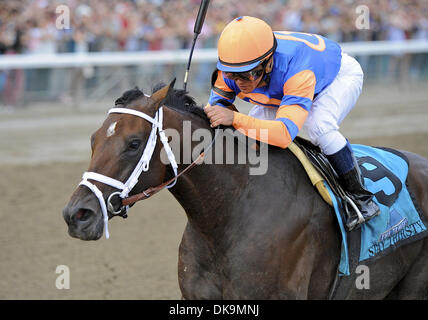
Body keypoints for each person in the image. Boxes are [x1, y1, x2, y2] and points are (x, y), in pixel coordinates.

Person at [203, 16, 379, 230]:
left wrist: (235, 118)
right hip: (280, 86)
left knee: (318, 126)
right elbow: (218, 110)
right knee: (251, 137)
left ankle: (360, 197)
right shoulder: (232, 66)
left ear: (268, 63)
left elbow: (283, 134)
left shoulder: (298, 72)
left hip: (334, 77)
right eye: (233, 75)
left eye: (247, 75)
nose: (239, 82)